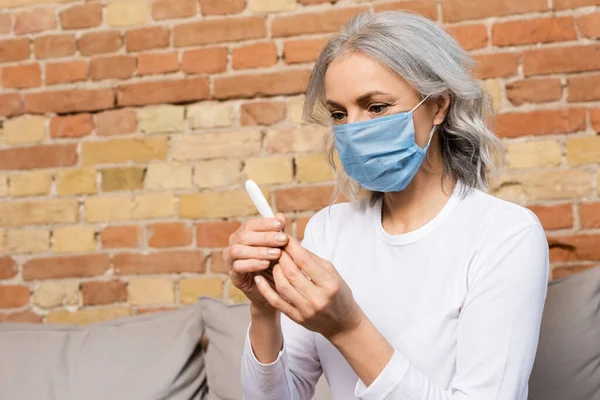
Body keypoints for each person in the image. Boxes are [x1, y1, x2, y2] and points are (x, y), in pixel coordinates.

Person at [223, 10, 549, 400]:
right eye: (340, 114)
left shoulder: (505, 235)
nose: (355, 130)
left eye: (376, 107)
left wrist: (348, 327)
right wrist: (263, 308)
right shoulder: (328, 230)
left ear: (439, 106)